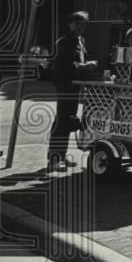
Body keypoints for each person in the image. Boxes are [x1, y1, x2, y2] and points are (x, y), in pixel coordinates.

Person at [48, 11, 98, 168]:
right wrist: (84, 66)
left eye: (83, 24)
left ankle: (60, 155)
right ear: (70, 24)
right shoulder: (64, 42)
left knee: (69, 119)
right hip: (65, 84)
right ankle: (54, 158)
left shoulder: (80, 40)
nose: (80, 27)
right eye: (77, 23)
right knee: (63, 119)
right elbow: (62, 64)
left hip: (74, 85)